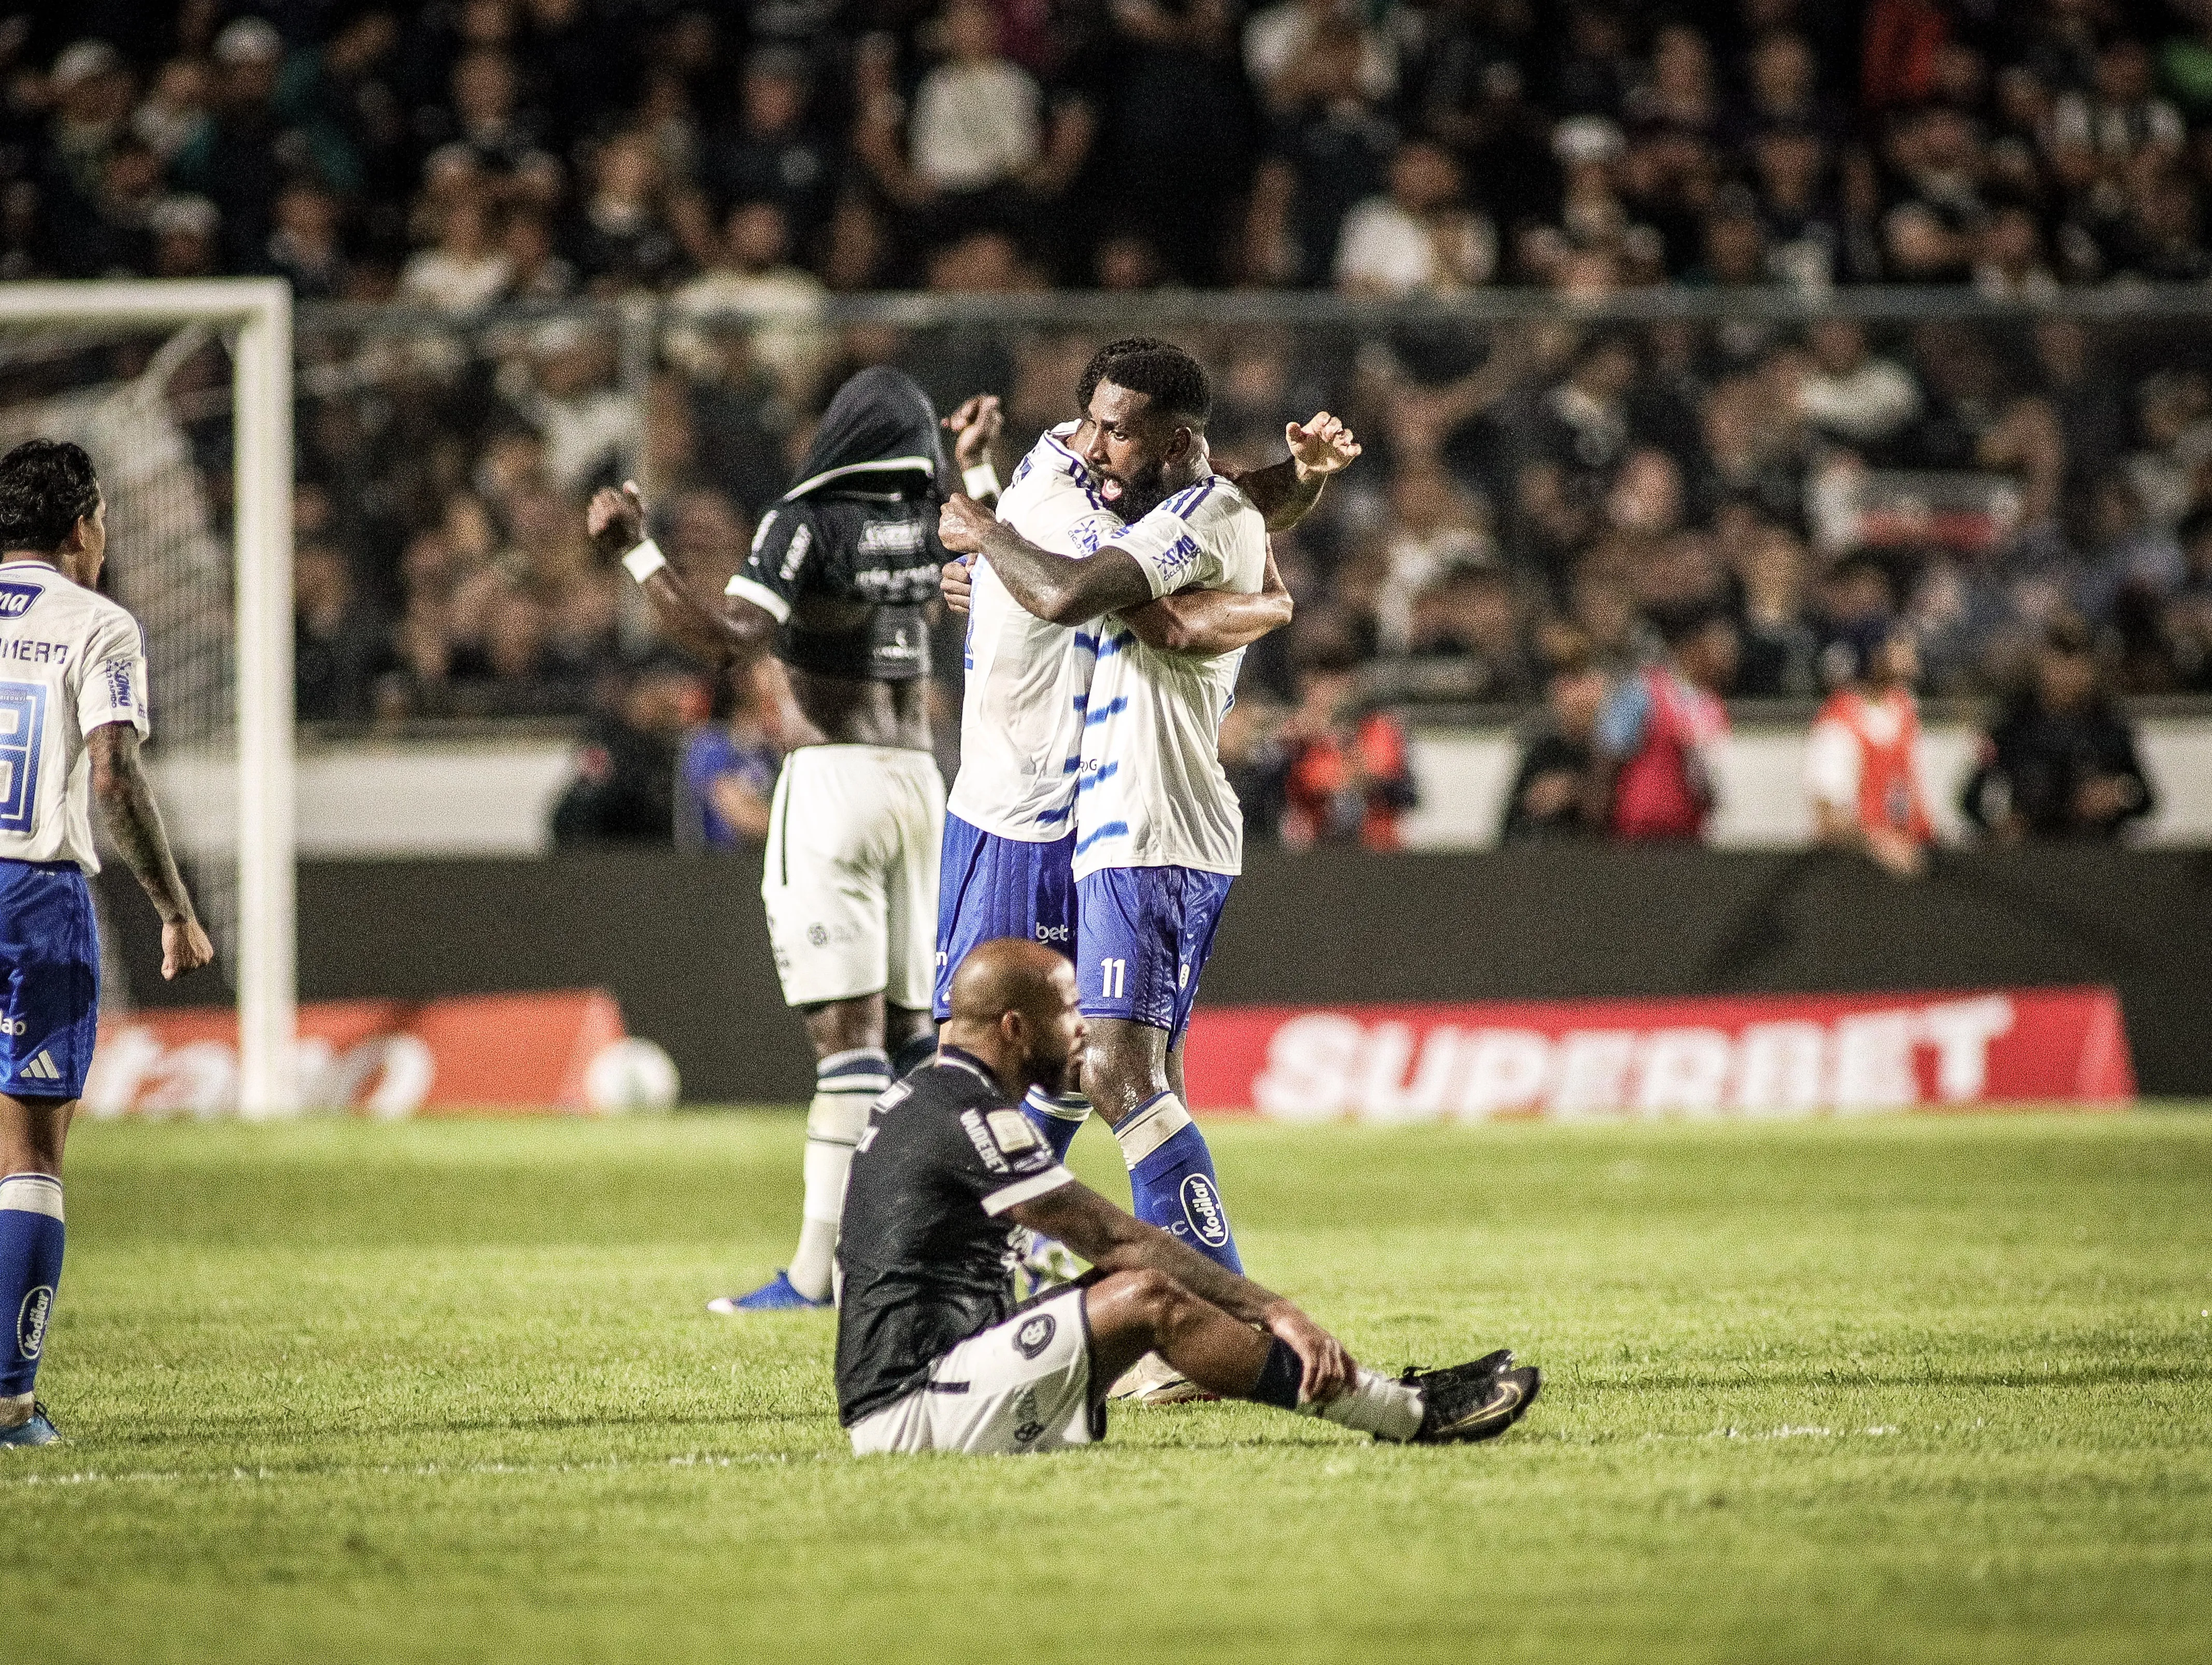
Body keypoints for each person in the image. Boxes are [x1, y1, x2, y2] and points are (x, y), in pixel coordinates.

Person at [939, 343, 1358, 1401]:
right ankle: (1012, 1273)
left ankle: (1206, 1323)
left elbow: (1106, 588)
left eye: (1118, 431)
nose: (1093, 444)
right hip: (1088, 825)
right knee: (1061, 1065)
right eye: (1089, 423)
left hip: (1131, 828)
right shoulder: (1081, 467)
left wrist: (988, 542)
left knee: (1111, 1071)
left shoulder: (1187, 518)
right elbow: (1214, 527)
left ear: (1171, 441)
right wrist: (994, 540)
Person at [835, 937, 1539, 1455]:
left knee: (1145, 1282)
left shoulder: (935, 1096)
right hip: (916, 1408)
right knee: (1149, 1293)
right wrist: (1276, 1310)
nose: (1083, 1027)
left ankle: (1393, 1394)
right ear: (1015, 1029)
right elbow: (1116, 1237)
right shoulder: (971, 1114)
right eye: (1069, 1009)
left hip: (937, 1371)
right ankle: (1401, 1413)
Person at [588, 366, 973, 1312]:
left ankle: (817, 1273)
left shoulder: (809, 518)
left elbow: (728, 639)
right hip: (924, 781)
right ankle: (937, 1254)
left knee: (846, 1047)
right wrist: (978, 467)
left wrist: (639, 553)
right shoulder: (935, 520)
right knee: (918, 1043)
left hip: (833, 780)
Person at [0, 440, 217, 1446]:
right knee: (30, 1157)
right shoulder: (97, 623)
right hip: (35, 898)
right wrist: (173, 907)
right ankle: (8, 1400)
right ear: (81, 524)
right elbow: (115, 776)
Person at [1963, 619, 2156, 842]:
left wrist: (2117, 796)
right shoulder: (2012, 726)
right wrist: (2000, 826)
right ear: (2042, 665)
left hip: (2095, 851)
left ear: (2090, 669)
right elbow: (1971, 800)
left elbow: (2145, 799)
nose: (2065, 673)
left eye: (2075, 661)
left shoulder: (2110, 726)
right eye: (2057, 661)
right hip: (2030, 853)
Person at [1593, 604, 1738, 843]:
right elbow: (1608, 757)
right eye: (1716, 646)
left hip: (1689, 834)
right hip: (1639, 833)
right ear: (1690, 646)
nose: (1725, 657)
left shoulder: (1712, 704)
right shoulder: (1643, 691)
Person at [1805, 623, 1935, 878]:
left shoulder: (1905, 707)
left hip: (1913, 857)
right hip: (1859, 874)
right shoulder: (1839, 720)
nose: (1910, 654)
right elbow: (1829, 819)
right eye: (1899, 646)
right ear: (1875, 655)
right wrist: (1879, 845)